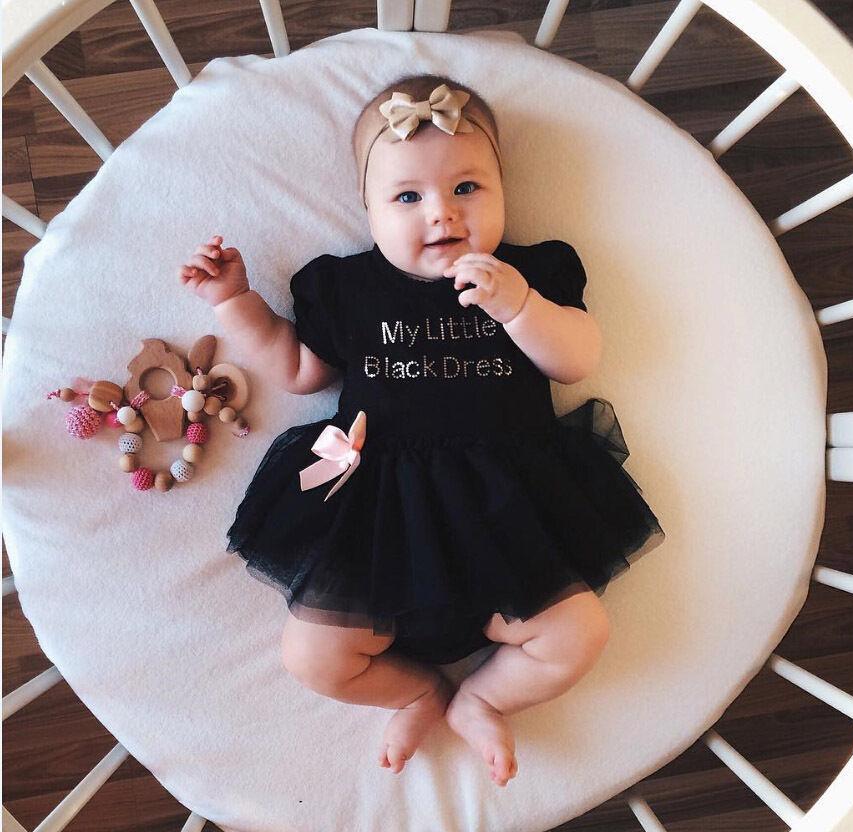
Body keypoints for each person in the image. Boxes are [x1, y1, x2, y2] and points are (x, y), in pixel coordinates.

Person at [177, 74, 664, 788]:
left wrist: (519, 305)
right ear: (368, 209)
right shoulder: (349, 289)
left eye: (467, 188)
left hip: (510, 510)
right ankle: (414, 691)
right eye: (407, 197)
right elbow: (298, 369)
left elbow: (575, 359)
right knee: (313, 657)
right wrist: (234, 300)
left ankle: (483, 698)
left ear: (503, 189)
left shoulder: (529, 272)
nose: (442, 212)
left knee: (579, 633)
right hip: (377, 514)